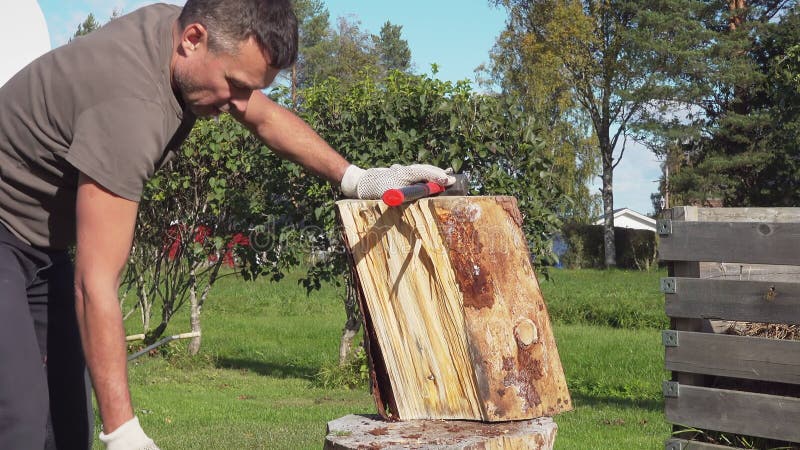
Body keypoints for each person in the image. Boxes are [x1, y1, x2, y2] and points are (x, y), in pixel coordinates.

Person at [0, 1, 454, 449]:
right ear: (193, 39)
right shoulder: (129, 105)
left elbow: (265, 116)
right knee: (17, 421)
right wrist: (123, 434)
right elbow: (94, 284)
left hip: (41, 247)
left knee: (66, 426)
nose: (237, 105)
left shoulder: (184, 38)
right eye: (234, 85)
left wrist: (356, 178)